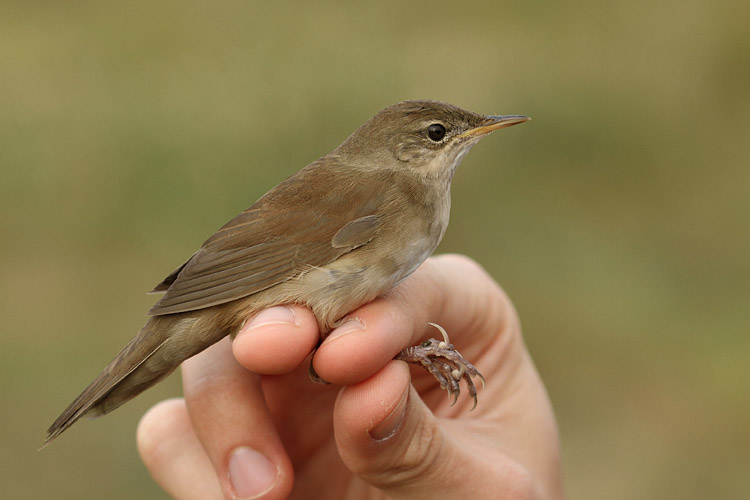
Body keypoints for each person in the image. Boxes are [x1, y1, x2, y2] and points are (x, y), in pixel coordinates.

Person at [136, 254, 564, 499]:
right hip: (247, 285)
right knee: (343, 344)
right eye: (436, 134)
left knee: (351, 345)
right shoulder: (391, 194)